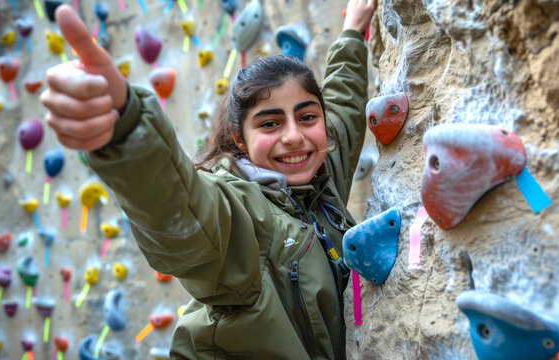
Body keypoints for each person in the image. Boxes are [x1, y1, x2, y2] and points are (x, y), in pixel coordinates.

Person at [40, 0, 376, 358]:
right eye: (270, 123)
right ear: (239, 136)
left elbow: (344, 106)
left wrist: (352, 32)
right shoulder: (235, 213)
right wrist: (126, 127)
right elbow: (177, 207)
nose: (294, 136)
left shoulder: (319, 177)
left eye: (307, 116)